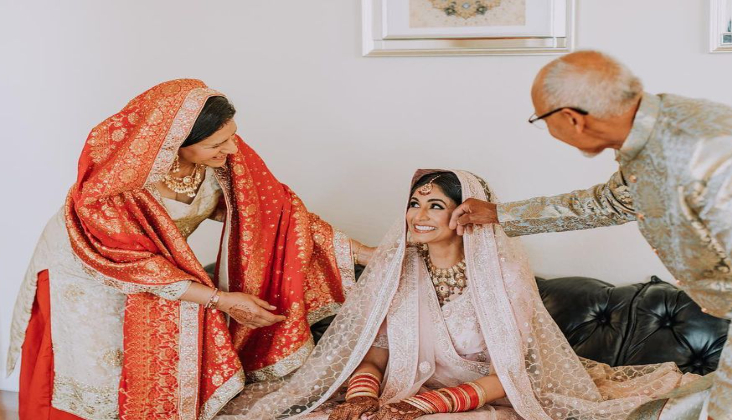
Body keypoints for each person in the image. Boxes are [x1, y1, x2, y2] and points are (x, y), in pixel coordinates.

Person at [6, 79, 373, 419]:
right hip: (93, 268)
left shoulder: (222, 158)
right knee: (102, 362)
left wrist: (367, 254)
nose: (231, 148)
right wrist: (221, 300)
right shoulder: (115, 192)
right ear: (173, 143)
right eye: (217, 143)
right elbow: (139, 267)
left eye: (233, 136)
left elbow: (279, 217)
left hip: (158, 267)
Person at [449, 50, 732, 419]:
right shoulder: (655, 135)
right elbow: (609, 202)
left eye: (539, 119)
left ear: (571, 119)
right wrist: (500, 214)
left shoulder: (717, 153)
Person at [215, 170, 700, 420]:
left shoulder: (502, 280)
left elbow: (512, 374)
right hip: (397, 396)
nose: (417, 215)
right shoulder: (397, 271)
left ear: (465, 214)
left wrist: (429, 406)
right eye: (413, 203)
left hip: (477, 404)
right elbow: (379, 349)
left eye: (435, 205)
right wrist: (363, 397)